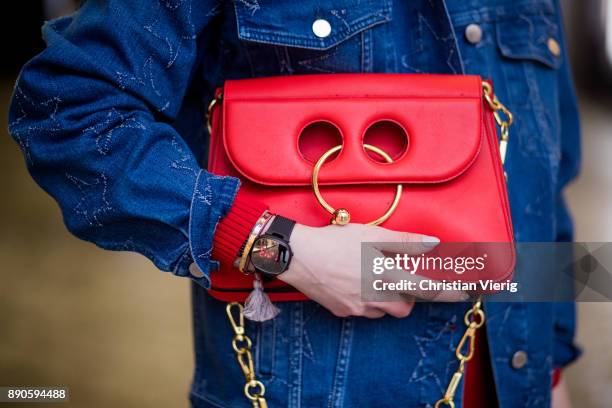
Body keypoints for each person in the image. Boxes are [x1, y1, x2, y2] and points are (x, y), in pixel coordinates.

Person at [8, 0, 580, 407]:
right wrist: (281, 248)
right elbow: (68, 108)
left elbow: (546, 177)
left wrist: (555, 364)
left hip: (517, 383)